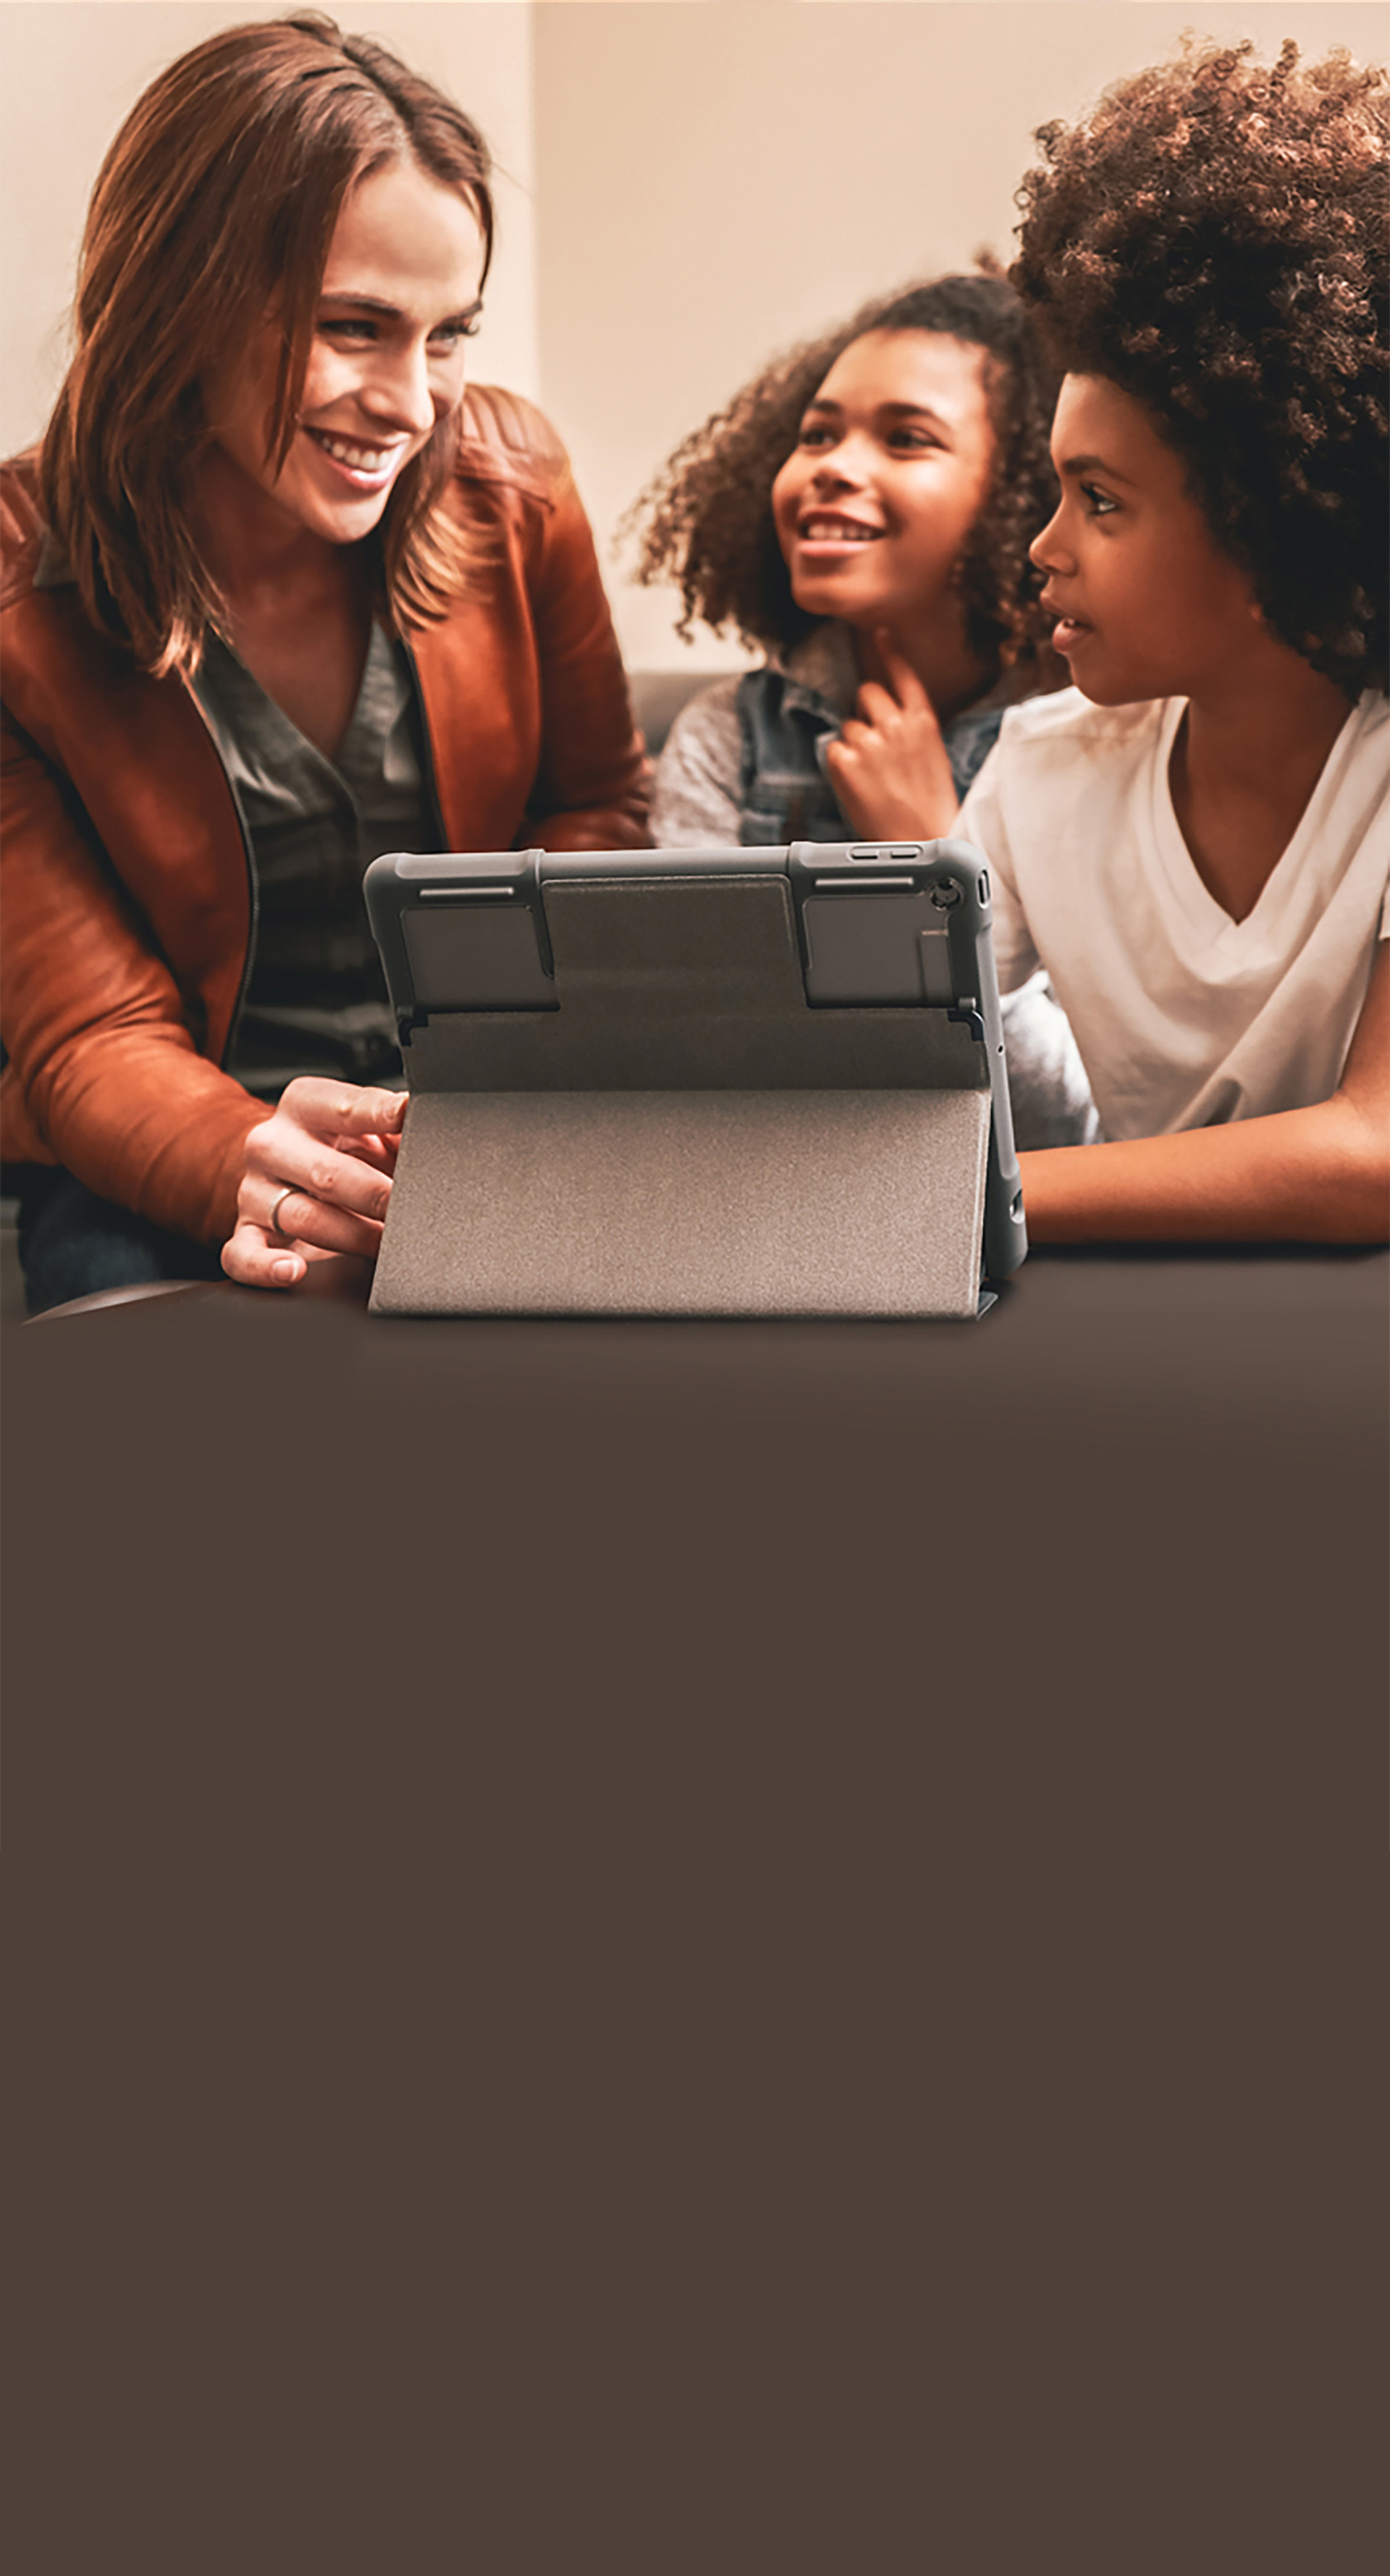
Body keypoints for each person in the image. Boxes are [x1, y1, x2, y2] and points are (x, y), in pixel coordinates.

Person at [1, 13, 649, 1311]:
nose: (412, 402)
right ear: (181, 295)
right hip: (181, 1155)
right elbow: (90, 1033)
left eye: (449, 333)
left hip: (495, 1120)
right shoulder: (18, 585)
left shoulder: (513, 486)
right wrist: (259, 1159)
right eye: (356, 325)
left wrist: (511, 1080)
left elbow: (595, 816)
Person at [941, 39, 1387, 1245]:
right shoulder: (1042, 771)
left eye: (1101, 498)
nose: (1044, 545)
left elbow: (1373, 1152)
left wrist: (956, 1201)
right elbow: (889, 1062)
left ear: (1273, 528)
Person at [632, 273, 1098, 1146]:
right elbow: (690, 1064)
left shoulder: (1099, 739)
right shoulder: (724, 737)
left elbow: (1073, 1122)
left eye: (907, 439)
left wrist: (941, 861)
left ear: (1025, 492)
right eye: (816, 434)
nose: (833, 468)